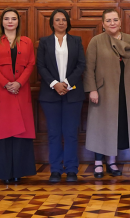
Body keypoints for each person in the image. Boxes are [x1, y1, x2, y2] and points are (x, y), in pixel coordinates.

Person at [84, 8, 130, 178]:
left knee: (117, 127)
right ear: (103, 24)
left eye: (115, 20)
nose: (112, 23)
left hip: (125, 92)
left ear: (120, 22)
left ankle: (112, 162)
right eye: (108, 20)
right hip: (102, 92)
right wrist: (92, 89)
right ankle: (98, 163)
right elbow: (89, 67)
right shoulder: (96, 41)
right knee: (100, 127)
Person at [0, 8, 36, 184]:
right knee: (3, 132)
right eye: (6, 18)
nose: (10, 21)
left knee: (21, 133)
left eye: (13, 18)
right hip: (2, 91)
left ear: (18, 22)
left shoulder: (27, 42)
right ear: (2, 22)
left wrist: (19, 83)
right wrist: (6, 83)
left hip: (20, 91)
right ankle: (4, 172)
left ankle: (19, 172)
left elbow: (31, 64)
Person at [36, 9, 86, 183]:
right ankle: (55, 169)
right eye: (57, 20)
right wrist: (55, 84)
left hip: (73, 93)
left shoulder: (76, 41)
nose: (61, 23)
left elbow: (81, 65)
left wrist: (66, 83)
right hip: (50, 94)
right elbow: (40, 66)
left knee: (71, 133)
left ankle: (72, 169)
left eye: (63, 19)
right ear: (52, 23)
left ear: (68, 22)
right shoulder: (44, 42)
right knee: (54, 133)